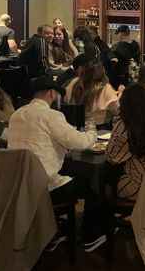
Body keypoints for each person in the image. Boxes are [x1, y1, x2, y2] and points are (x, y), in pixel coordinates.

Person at [6, 76, 104, 250]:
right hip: (46, 186)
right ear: (52, 93)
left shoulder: (16, 115)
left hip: (19, 183)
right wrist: (91, 129)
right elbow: (80, 143)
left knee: (72, 171)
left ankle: (53, 229)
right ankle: (91, 235)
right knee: (92, 182)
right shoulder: (51, 115)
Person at [66, 60, 121, 126]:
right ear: (103, 71)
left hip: (74, 127)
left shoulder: (74, 83)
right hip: (99, 130)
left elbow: (66, 101)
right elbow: (117, 111)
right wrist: (121, 94)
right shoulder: (106, 89)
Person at [110, 25, 141, 89]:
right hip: (134, 75)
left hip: (120, 78)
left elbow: (112, 61)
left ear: (122, 33)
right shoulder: (136, 45)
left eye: (118, 34)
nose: (117, 36)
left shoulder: (117, 46)